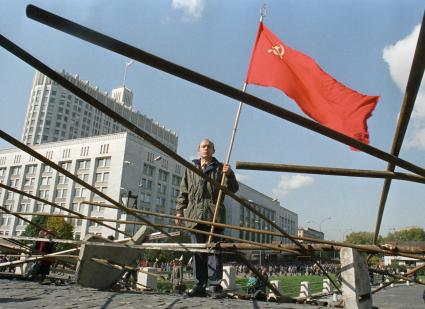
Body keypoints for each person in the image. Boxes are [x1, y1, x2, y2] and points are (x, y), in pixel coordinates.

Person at [175, 138, 239, 298]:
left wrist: (230, 175)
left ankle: (214, 285)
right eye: (204, 146)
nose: (206, 149)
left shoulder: (220, 169)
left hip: (213, 216)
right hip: (194, 216)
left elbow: (233, 189)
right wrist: (179, 211)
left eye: (209, 147)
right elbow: (184, 191)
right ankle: (200, 284)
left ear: (213, 151)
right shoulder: (190, 168)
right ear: (199, 149)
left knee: (214, 252)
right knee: (198, 251)